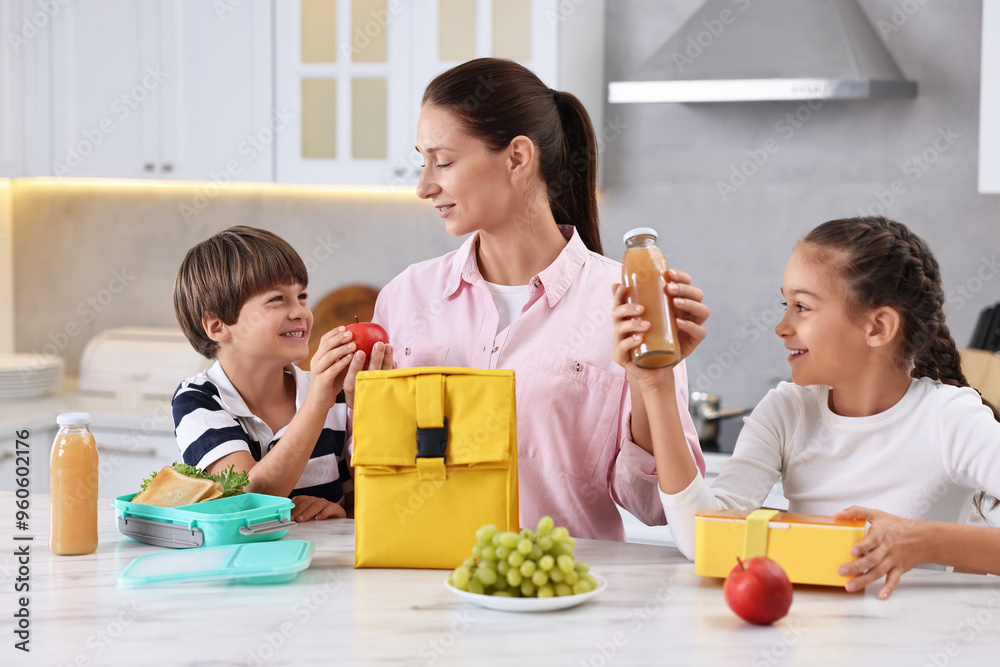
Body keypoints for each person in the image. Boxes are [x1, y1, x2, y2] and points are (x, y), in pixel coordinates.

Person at [371, 57, 709, 541]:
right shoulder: (406, 297)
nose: (424, 186)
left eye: (442, 162)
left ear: (517, 158)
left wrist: (647, 383)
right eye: (422, 161)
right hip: (425, 587)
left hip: (560, 600)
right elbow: (378, 473)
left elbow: (658, 507)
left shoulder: (625, 303)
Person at [614, 216, 1000, 598]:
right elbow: (704, 538)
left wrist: (924, 541)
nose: (782, 326)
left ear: (878, 327)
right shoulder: (786, 411)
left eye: (802, 306)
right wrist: (658, 385)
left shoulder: (948, 418)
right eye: (786, 303)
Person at [172, 226, 393, 521]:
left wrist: (341, 511)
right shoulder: (198, 400)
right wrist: (317, 403)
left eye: (301, 296)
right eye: (277, 299)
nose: (301, 311)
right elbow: (247, 495)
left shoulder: (334, 396)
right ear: (217, 326)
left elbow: (371, 500)